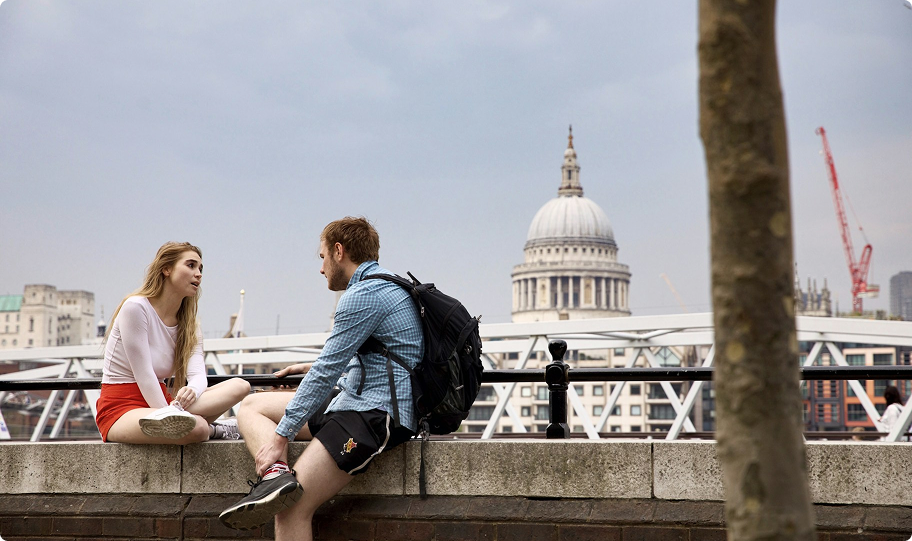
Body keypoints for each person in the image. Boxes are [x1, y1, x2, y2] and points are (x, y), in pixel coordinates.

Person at [219, 217, 423, 540]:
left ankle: (278, 476)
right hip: (353, 400)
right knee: (251, 405)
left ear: (339, 251)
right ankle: (276, 476)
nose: (321, 268)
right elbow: (373, 359)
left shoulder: (362, 296)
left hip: (372, 416)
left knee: (290, 510)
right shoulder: (388, 287)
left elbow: (324, 373)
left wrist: (279, 439)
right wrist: (309, 367)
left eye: (322, 257)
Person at [94, 242, 251, 444]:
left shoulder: (190, 324)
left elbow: (197, 375)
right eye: (191, 265)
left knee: (241, 386)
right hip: (122, 409)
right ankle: (216, 429)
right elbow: (145, 376)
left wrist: (192, 391)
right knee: (199, 428)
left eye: (201, 268)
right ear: (166, 269)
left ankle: (190, 421)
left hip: (166, 403)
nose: (199, 274)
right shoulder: (135, 308)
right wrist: (169, 415)